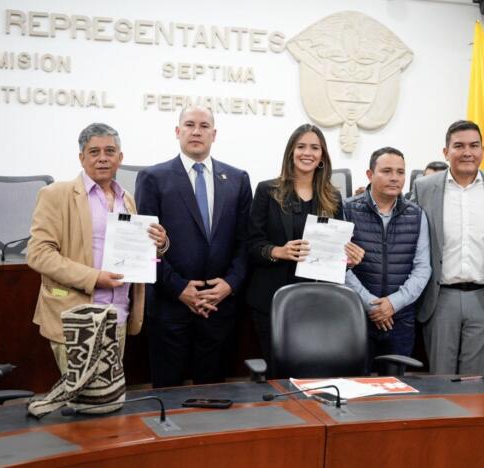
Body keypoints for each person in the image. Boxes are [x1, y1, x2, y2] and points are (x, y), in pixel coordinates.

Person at [27, 122, 167, 373]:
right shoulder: (56, 194)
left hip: (118, 317)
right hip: (77, 319)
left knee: (109, 401)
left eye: (109, 151)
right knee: (83, 403)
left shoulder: (127, 199)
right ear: (82, 158)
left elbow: (133, 251)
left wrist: (158, 244)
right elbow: (39, 254)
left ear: (120, 157)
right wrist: (94, 278)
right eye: (94, 152)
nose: (102, 158)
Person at [135, 105, 252, 387]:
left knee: (213, 398)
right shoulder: (153, 178)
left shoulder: (238, 179)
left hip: (218, 306)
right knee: (167, 398)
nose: (196, 131)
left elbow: (246, 242)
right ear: (178, 132)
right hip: (169, 306)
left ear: (214, 134)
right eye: (189, 125)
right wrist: (178, 288)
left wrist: (230, 284)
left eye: (203, 126)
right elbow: (143, 246)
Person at [246, 123, 364, 365]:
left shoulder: (332, 196)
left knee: (312, 370)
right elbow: (251, 244)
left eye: (314, 148)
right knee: (277, 372)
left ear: (322, 156)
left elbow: (337, 252)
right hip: (271, 299)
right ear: (291, 152)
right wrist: (278, 251)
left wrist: (348, 260)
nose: (307, 153)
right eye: (301, 147)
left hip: (317, 300)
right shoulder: (267, 191)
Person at [413, 120, 484, 375]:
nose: (467, 152)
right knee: (440, 381)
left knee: (475, 384)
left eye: (474, 145)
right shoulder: (424, 187)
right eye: (458, 146)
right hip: (440, 298)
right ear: (446, 152)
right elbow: (412, 235)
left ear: (483, 150)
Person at [344, 147, 431, 369]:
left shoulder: (417, 214)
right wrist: (371, 305)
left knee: (394, 392)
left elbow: (422, 269)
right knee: (354, 387)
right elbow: (339, 266)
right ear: (370, 175)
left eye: (400, 172)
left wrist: (393, 303)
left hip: (399, 319)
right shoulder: (347, 210)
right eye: (387, 171)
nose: (395, 178)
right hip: (356, 315)